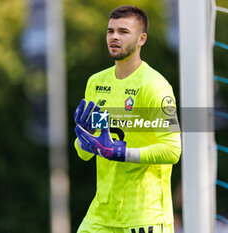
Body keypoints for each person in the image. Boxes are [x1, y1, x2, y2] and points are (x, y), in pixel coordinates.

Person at [74, 5, 181, 233]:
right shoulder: (96, 83)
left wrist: (121, 153)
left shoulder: (155, 86)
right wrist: (85, 135)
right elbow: (84, 153)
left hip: (144, 216)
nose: (114, 37)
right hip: (101, 216)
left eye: (123, 32)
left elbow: (173, 150)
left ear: (142, 39)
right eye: (110, 31)